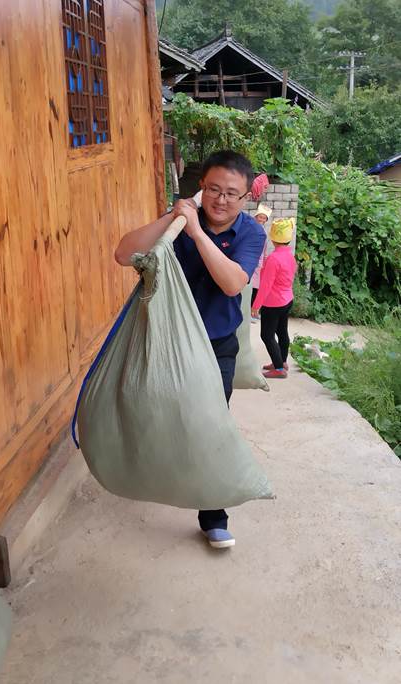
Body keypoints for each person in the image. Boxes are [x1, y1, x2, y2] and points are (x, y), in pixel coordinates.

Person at [115, 150, 266, 549]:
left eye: (231, 193)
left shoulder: (250, 233)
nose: (221, 200)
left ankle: (213, 515)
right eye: (213, 189)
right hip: (164, 341)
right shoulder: (179, 222)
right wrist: (174, 218)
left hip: (216, 346)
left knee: (211, 427)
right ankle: (150, 477)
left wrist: (197, 233)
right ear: (201, 188)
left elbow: (233, 283)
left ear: (246, 197)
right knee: (147, 409)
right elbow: (123, 253)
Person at [251, 218, 297, 379]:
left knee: (267, 335)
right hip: (287, 299)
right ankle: (282, 361)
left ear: (272, 237)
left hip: (273, 303)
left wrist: (256, 305)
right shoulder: (290, 256)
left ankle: (279, 368)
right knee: (282, 331)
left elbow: (265, 285)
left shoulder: (273, 259)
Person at [250, 204, 272, 323]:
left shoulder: (263, 230)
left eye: (264, 218)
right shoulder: (252, 228)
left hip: (259, 262)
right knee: (250, 287)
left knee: (257, 287)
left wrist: (265, 259)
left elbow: (264, 248)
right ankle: (249, 312)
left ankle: (253, 312)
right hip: (252, 260)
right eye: (260, 217)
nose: (262, 220)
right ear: (256, 216)